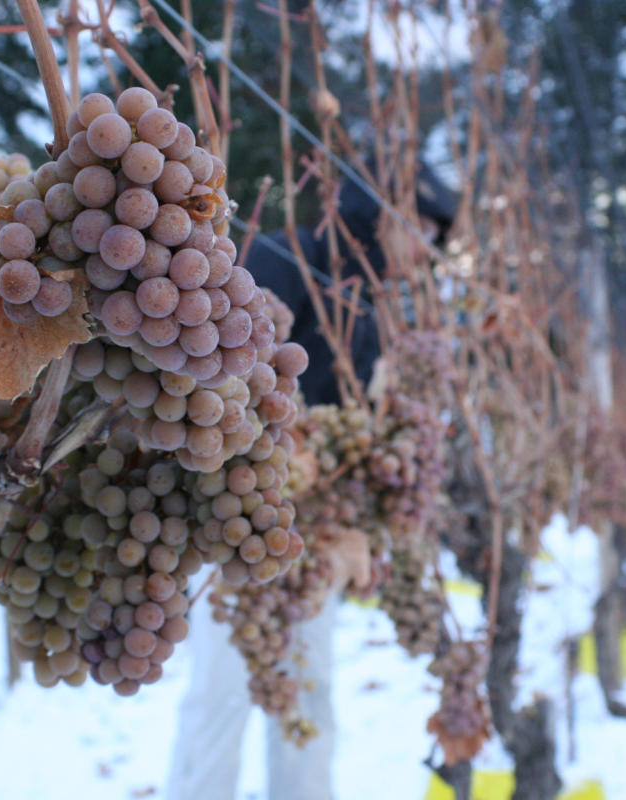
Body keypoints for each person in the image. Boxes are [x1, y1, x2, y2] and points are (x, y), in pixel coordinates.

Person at [167, 163, 457, 800]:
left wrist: (348, 524)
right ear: (380, 213)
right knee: (221, 697)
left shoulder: (367, 307)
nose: (430, 249)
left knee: (307, 691)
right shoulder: (283, 261)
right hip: (243, 523)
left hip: (306, 532)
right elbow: (237, 405)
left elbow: (341, 434)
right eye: (424, 227)